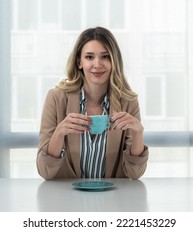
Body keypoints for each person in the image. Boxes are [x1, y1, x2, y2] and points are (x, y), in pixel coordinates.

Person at [36, 27, 148, 180]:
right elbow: (45, 172)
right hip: (67, 200)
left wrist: (138, 134)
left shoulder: (128, 102)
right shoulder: (56, 98)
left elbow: (134, 174)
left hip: (114, 199)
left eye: (105, 57)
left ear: (114, 62)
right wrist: (59, 132)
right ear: (79, 62)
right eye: (89, 57)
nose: (97, 64)